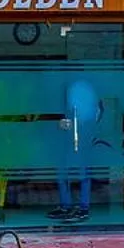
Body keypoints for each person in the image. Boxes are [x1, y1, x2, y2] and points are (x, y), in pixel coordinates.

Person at [51, 75, 101, 222]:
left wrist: (81, 126)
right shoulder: (67, 91)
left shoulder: (85, 91)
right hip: (67, 139)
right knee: (63, 172)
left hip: (82, 138)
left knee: (83, 172)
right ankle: (66, 206)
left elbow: (94, 116)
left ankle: (83, 208)